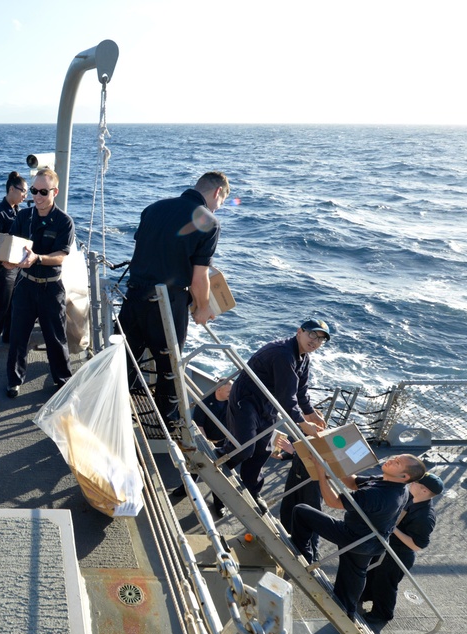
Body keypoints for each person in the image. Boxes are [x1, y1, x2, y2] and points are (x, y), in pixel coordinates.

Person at [118, 172, 230, 424]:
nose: (218, 207)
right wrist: (202, 307)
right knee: (169, 367)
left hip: (134, 295)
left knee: (125, 358)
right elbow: (198, 277)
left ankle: (114, 411)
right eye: (220, 202)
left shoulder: (153, 208)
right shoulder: (209, 221)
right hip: (166, 304)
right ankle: (165, 423)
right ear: (216, 192)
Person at [212, 320, 331, 517]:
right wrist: (303, 424)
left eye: (321, 339)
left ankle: (252, 491)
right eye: (312, 335)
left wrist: (311, 414)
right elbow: (287, 397)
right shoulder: (283, 354)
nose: (315, 342)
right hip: (247, 400)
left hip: (267, 405)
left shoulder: (303, 358)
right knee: (243, 448)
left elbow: (300, 391)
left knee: (261, 451)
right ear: (299, 331)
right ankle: (219, 474)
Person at [290, 454, 427, 619]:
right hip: (373, 542)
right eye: (396, 457)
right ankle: (346, 611)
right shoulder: (393, 485)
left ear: (404, 476)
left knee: (301, 511)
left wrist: (320, 472)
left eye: (397, 462)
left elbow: (333, 502)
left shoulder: (379, 494)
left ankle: (303, 554)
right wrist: (330, 464)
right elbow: (353, 482)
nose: (391, 459)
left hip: (353, 536)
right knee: (353, 572)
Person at [4, 167, 75, 398]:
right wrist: (6, 260)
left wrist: (38, 258)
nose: (36, 196)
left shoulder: (64, 221)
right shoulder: (23, 217)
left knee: (55, 337)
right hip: (25, 285)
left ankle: (63, 380)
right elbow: (12, 245)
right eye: (34, 190)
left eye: (43, 192)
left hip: (51, 288)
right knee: (18, 336)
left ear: (55, 191)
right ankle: (14, 380)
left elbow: (61, 255)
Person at [360, 472, 443, 625]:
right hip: (389, 547)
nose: (411, 483)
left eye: (416, 482)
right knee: (373, 574)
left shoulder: (425, 517)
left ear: (424, 490)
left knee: (385, 584)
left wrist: (393, 528)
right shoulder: (412, 498)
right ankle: (363, 595)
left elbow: (417, 545)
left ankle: (382, 614)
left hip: (400, 554)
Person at [0, 171, 28, 357]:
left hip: (16, 266)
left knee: (14, 304)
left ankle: (8, 336)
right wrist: (1, 266)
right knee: (1, 305)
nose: (25, 195)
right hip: (4, 268)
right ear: (12, 189)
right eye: (23, 191)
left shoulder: (16, 211)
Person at [171, 378, 233, 497]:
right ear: (219, 389)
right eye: (229, 391)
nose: (231, 394)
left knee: (219, 474)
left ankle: (219, 502)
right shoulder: (204, 402)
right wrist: (205, 445)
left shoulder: (231, 402)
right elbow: (199, 425)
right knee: (195, 467)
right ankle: (186, 488)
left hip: (222, 443)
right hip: (205, 441)